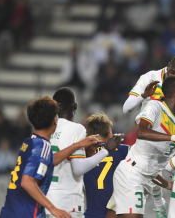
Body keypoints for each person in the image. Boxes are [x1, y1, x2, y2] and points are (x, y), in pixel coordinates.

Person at [122, 54, 175, 217]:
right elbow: (126, 108)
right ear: (168, 66)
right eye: (171, 73)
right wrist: (144, 95)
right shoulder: (150, 77)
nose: (173, 80)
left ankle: (166, 201)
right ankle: (159, 201)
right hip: (152, 134)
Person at [46, 87, 120, 218]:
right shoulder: (76, 129)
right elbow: (78, 169)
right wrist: (106, 151)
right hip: (67, 203)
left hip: (46, 200)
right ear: (75, 106)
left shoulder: (46, 130)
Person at [0, 97, 70, 218]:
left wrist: (77, 145)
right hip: (27, 213)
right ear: (55, 120)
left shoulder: (29, 142)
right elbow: (27, 182)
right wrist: (53, 209)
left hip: (9, 211)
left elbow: (49, 161)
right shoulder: (43, 146)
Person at [83, 112, 129, 218]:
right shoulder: (124, 150)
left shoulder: (82, 153)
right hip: (116, 213)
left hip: (91, 213)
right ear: (109, 133)